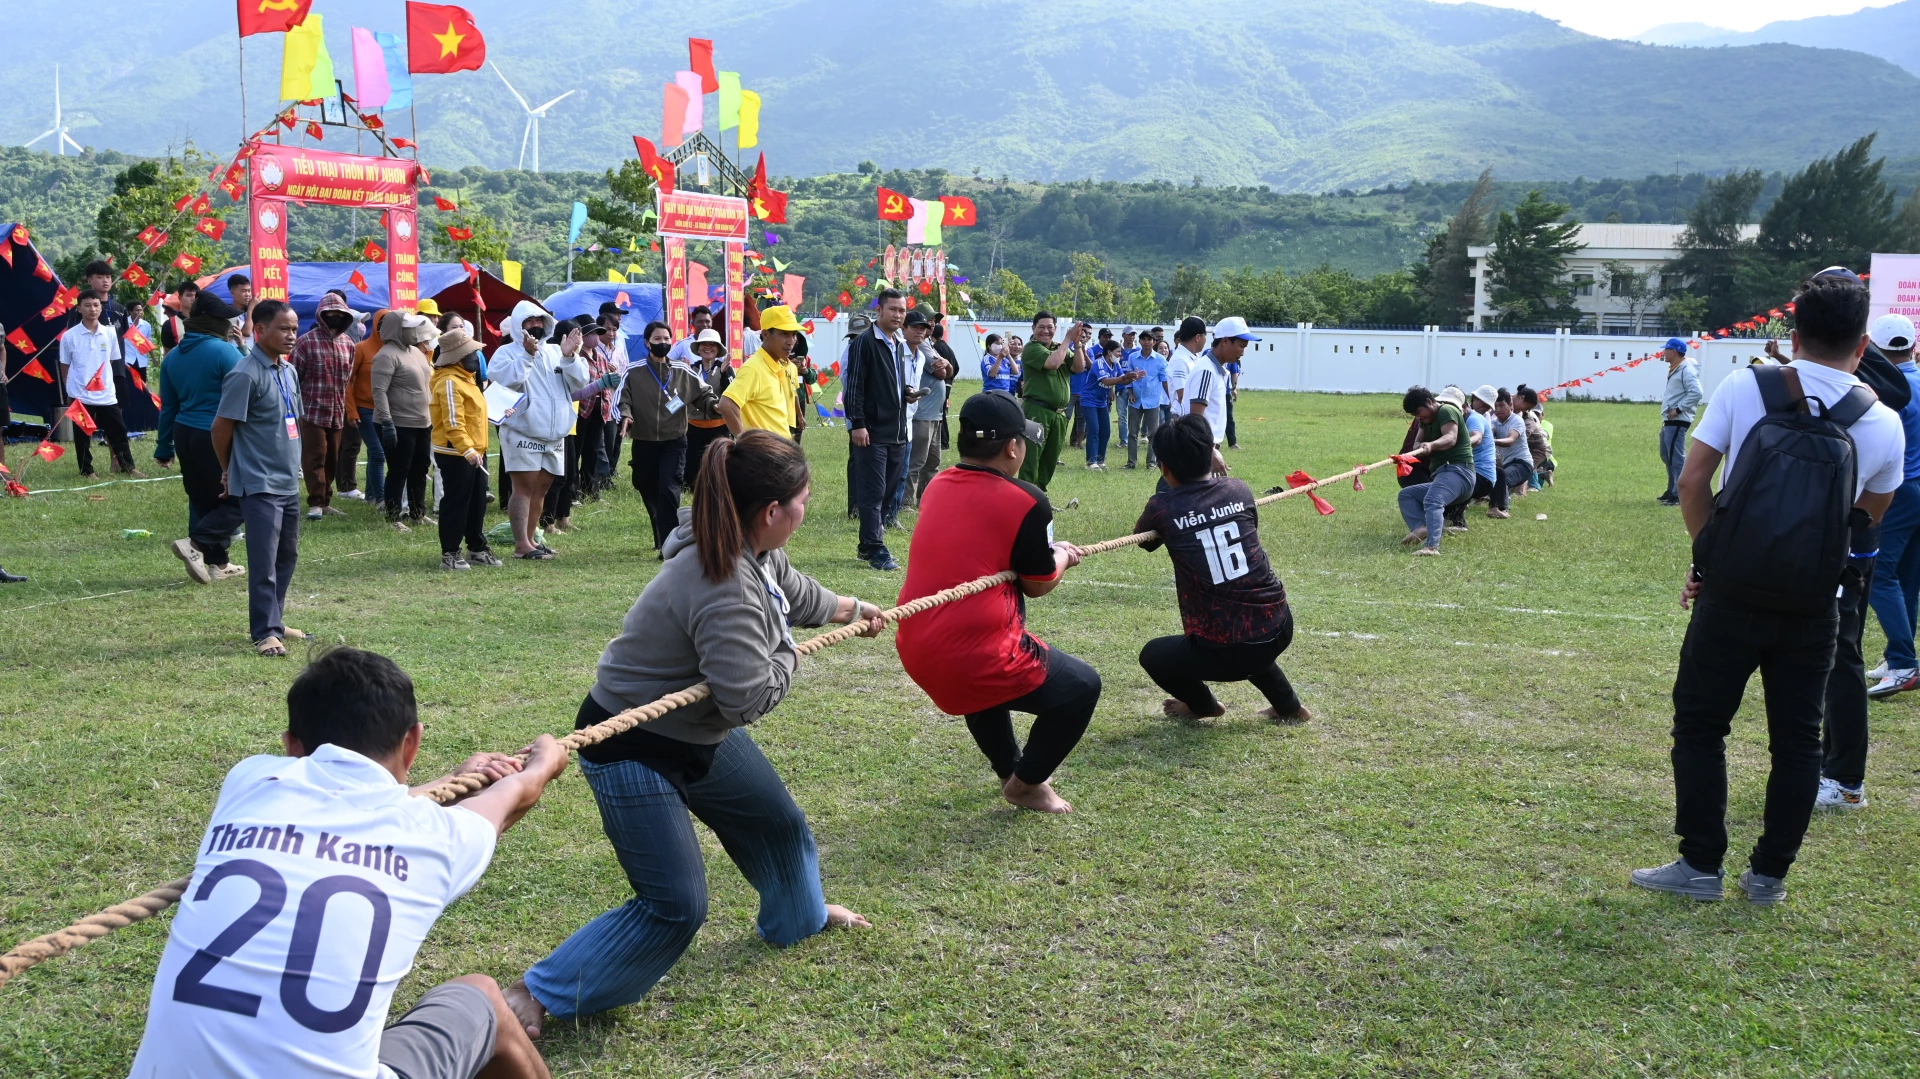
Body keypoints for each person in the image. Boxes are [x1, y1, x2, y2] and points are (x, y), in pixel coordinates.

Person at [503, 430, 875, 1037]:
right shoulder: (723, 583)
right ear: (772, 511)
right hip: (631, 745)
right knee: (676, 906)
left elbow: (790, 590)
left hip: (698, 734)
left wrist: (851, 609)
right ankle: (536, 992)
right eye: (804, 501)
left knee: (778, 825)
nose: (806, 510)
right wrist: (787, 650)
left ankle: (798, 918)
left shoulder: (752, 547)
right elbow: (748, 697)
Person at [125, 647, 567, 1079]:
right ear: (412, 741)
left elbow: (345, 805)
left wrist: (453, 780)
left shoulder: (250, 780)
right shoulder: (440, 837)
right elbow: (515, 795)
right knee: (481, 996)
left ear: (291, 746)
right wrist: (545, 762)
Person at [1634, 268, 1903, 905]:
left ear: (1794, 335)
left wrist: (1709, 560)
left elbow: (1694, 482)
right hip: (1814, 606)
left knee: (1701, 726)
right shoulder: (1883, 421)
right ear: (1862, 345)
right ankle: (1769, 877)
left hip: (1730, 594)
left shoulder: (1743, 385)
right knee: (1798, 742)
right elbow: (1867, 521)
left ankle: (1700, 865)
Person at [896, 391, 1099, 814]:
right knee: (1081, 687)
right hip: (973, 655)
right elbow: (1038, 584)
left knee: (982, 688)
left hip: (917, 647)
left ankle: (1010, 773)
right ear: (1012, 447)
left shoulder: (936, 485)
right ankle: (1027, 783)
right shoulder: (1027, 499)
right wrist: (1062, 555)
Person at [1136, 414, 1309, 724]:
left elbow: (1144, 542)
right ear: (1212, 455)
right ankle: (1290, 707)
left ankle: (1203, 706)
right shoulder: (1238, 489)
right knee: (1249, 632)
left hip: (1227, 650)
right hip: (1280, 625)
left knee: (1153, 655)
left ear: (1163, 468)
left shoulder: (1162, 507)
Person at [213, 300, 310, 657]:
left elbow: (292, 421)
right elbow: (221, 428)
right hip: (259, 482)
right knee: (263, 561)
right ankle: (265, 633)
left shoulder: (289, 371)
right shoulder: (244, 374)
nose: (291, 335)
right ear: (260, 330)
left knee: (286, 556)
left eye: (294, 328)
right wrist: (229, 469)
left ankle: (276, 620)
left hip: (287, 481)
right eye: (284, 329)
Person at [157, 293, 249, 584]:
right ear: (212, 321)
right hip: (216, 434)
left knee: (202, 499)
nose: (230, 324)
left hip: (184, 433)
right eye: (225, 319)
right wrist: (242, 349)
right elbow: (253, 383)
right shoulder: (224, 351)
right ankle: (195, 544)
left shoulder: (173, 356)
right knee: (244, 496)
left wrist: (164, 446)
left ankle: (218, 564)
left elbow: (168, 406)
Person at [490, 301, 588, 560]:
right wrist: (526, 355)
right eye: (529, 321)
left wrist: (570, 357)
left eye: (539, 321)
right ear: (518, 325)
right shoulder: (506, 353)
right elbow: (504, 381)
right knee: (524, 487)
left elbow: (579, 382)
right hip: (523, 432)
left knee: (542, 488)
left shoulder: (556, 351)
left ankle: (531, 538)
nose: (535, 325)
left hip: (554, 435)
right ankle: (521, 545)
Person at [621, 320, 716, 553]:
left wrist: (715, 406)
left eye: (666, 339)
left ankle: (670, 544)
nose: (662, 343)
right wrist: (626, 415)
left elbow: (703, 393)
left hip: (674, 441)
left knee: (669, 487)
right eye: (657, 339)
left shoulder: (682, 370)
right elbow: (622, 399)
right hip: (644, 441)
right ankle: (659, 527)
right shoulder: (633, 371)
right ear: (647, 342)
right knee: (645, 484)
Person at [1866, 313, 1920, 704]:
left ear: (1875, 349)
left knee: (1878, 575)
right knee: (1906, 577)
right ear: (1914, 345)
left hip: (1901, 489)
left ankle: (1903, 662)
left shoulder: (1887, 390)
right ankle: (1897, 657)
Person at [843, 289, 913, 570]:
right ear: (879, 311)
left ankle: (869, 542)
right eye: (892, 309)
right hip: (872, 431)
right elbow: (854, 386)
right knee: (873, 491)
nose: (898, 315)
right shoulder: (864, 342)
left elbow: (892, 382)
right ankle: (874, 548)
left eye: (902, 310)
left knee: (888, 492)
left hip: (897, 431)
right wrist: (857, 424)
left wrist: (906, 392)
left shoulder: (898, 343)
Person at [430, 328, 504, 571]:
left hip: (474, 452)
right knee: (456, 503)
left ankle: (477, 548)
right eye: (471, 352)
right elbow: (453, 423)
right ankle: (450, 554)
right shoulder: (449, 382)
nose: (476, 356)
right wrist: (467, 450)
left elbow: (473, 414)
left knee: (477, 502)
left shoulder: (467, 379)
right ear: (457, 357)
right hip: (456, 453)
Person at [291, 291, 357, 520]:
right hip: (312, 411)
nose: (335, 316)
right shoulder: (305, 342)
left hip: (337, 411)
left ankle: (326, 500)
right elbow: (294, 378)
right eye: (330, 313)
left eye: (339, 313)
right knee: (314, 457)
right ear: (321, 314)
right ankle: (316, 502)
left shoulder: (348, 344)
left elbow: (347, 379)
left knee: (332, 459)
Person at [59, 289, 138, 477]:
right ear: (79, 309)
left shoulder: (109, 333)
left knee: (118, 430)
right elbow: (65, 365)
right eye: (87, 305)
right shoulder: (69, 336)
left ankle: (128, 467)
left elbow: (112, 360)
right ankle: (86, 471)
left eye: (96, 305)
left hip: (106, 392)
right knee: (83, 435)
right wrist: (70, 390)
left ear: (101, 308)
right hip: (80, 393)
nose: (92, 309)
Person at [372, 311, 438, 533]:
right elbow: (379, 392)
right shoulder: (385, 356)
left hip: (422, 421)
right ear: (397, 330)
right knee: (399, 469)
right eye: (409, 328)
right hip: (398, 422)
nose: (414, 332)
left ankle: (418, 513)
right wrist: (387, 422)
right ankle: (393, 517)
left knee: (420, 467)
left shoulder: (416, 352)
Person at [1395, 385, 1476, 555]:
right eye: (1415, 415)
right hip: (1442, 475)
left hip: (1460, 472)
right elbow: (1417, 445)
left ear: (1429, 402)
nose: (1418, 417)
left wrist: (1431, 445)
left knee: (1433, 500)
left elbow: (1450, 438)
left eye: (1419, 412)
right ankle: (1422, 527)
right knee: (1407, 495)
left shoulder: (1447, 411)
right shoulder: (1424, 421)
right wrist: (1413, 452)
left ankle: (1432, 547)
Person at [1016, 311, 1089, 491]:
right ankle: (1026, 497)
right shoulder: (1031, 348)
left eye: (1050, 327)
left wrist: (1077, 344)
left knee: (1049, 460)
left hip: (1059, 414)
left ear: (1055, 328)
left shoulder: (1059, 347)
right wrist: (1067, 340)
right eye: (1041, 327)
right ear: (1033, 328)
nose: (1046, 331)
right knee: (1031, 459)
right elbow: (1053, 363)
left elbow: (1079, 367)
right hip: (1037, 410)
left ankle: (1040, 496)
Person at [718, 305, 803, 442]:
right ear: (766, 335)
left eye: (794, 334)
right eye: (784, 334)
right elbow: (726, 405)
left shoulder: (777, 365)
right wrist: (745, 444)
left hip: (780, 449)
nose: (791, 341)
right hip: (764, 452)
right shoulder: (754, 368)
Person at [339, 309, 392, 506]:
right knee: (378, 452)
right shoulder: (361, 348)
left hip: (386, 410)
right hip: (364, 409)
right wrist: (351, 411)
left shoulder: (395, 350)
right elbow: (347, 381)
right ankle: (380, 499)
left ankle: (370, 495)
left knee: (375, 452)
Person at [907, 315, 956, 507]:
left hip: (935, 415)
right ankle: (906, 503)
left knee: (933, 462)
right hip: (922, 414)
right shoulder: (920, 345)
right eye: (928, 321)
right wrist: (945, 365)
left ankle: (927, 501)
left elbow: (950, 371)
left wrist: (947, 363)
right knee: (916, 462)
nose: (932, 324)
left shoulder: (929, 344)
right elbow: (941, 373)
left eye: (934, 321)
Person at [682, 325, 734, 493]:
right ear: (698, 348)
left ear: (718, 349)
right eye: (704, 344)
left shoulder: (725, 368)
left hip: (718, 426)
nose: (708, 347)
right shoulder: (691, 368)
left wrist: (724, 374)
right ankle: (692, 489)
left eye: (712, 344)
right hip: (693, 425)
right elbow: (683, 395)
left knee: (717, 463)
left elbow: (730, 395)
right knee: (691, 465)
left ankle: (717, 490)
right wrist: (685, 376)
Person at [1188, 317, 1251, 450]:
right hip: (1200, 449)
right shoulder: (1206, 371)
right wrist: (1210, 452)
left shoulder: (1217, 370)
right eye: (1241, 346)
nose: (1243, 353)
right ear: (1225, 341)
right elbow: (1195, 420)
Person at [1658, 338, 1703, 506]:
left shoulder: (1686, 370)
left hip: (1678, 419)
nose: (1663, 352)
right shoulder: (1676, 368)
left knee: (1676, 457)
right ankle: (1671, 489)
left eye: (1666, 350)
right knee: (1666, 455)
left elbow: (1697, 392)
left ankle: (1679, 494)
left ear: (1674, 351)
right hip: (1670, 420)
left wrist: (1678, 409)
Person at [1121, 333, 1168, 469]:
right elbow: (1128, 377)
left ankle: (1151, 462)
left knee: (1153, 434)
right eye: (1144, 339)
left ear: (1154, 342)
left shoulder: (1160, 359)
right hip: (1135, 400)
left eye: (1149, 340)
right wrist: (1130, 392)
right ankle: (1131, 462)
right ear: (1140, 341)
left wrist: (1171, 398)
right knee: (1132, 433)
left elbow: (1164, 380)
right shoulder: (1133, 357)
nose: (1147, 342)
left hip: (1152, 400)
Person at [1080, 341, 1127, 469]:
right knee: (1094, 429)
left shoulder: (1116, 364)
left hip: (1101, 402)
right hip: (1089, 400)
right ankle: (1091, 462)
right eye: (1118, 352)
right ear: (1109, 352)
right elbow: (1106, 381)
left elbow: (1123, 380)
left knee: (1105, 430)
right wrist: (1124, 378)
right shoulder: (1099, 363)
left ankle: (1100, 460)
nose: (1120, 355)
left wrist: (1133, 377)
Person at [1487, 388, 1531, 517]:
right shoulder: (1494, 422)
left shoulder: (1516, 420)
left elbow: (1510, 440)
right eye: (1495, 406)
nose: (1498, 409)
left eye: (1501, 405)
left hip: (1523, 464)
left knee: (1503, 478)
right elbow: (1489, 433)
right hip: (1507, 464)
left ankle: (1501, 509)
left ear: (1510, 405)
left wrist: (1489, 440)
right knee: (1494, 476)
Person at [1166, 317, 1207, 414]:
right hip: (1185, 417)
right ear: (1198, 337)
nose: (1206, 340)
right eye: (1205, 336)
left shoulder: (1193, 357)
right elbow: (1183, 395)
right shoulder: (1180, 361)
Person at [158, 280, 198, 351]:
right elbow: (167, 352)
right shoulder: (170, 324)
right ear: (180, 298)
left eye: (196, 295)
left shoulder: (206, 321)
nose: (193, 298)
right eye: (189, 295)